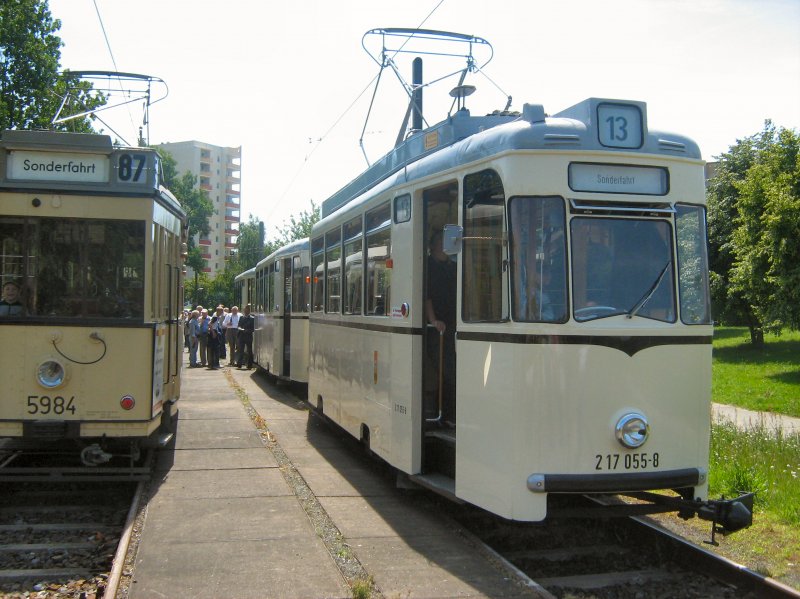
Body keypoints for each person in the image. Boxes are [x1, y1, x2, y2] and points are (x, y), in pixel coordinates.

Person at [424, 230, 457, 425]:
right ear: (433, 245)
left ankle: (447, 413)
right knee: (446, 370)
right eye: (441, 241)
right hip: (437, 328)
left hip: (452, 324)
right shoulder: (427, 266)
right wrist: (434, 320)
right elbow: (426, 295)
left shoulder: (452, 267)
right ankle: (444, 414)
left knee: (450, 369)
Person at [237, 304, 255, 369]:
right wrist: (240, 329)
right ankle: (239, 364)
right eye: (245, 310)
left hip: (248, 336)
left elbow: (253, 329)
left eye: (247, 310)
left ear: (249, 311)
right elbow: (238, 325)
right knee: (240, 350)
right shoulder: (241, 317)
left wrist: (247, 330)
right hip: (241, 336)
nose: (245, 311)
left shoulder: (252, 319)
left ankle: (249, 365)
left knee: (249, 351)